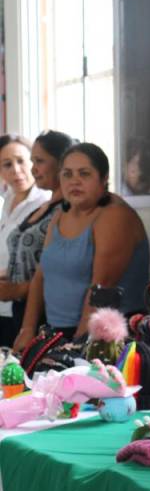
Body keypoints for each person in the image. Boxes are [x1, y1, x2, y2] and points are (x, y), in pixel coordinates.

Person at [13, 142, 150, 351]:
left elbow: (102, 289)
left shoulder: (115, 215)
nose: (74, 181)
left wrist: (78, 344)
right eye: (67, 174)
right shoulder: (60, 215)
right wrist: (27, 330)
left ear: (104, 179)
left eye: (84, 174)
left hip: (103, 339)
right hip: (58, 333)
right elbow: (41, 277)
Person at [0, 130, 74, 340]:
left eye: (37, 161)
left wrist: (20, 290)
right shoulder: (17, 203)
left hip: (42, 315)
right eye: (6, 164)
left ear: (61, 163)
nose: (31, 169)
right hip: (18, 310)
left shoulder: (65, 209)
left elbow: (53, 270)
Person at [0, 134, 52, 345]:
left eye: (21, 161)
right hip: (4, 302)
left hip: (28, 304)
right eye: (7, 164)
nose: (16, 170)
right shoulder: (8, 199)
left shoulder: (45, 202)